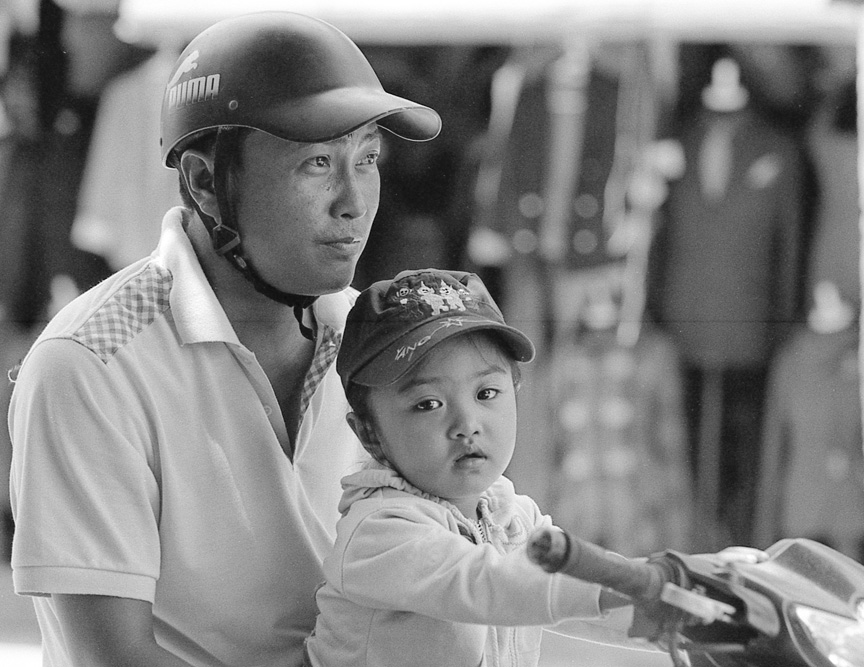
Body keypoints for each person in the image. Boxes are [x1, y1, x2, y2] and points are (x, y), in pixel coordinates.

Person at [7, 11, 440, 667]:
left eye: (368, 158)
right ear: (205, 182)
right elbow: (115, 658)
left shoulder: (384, 340)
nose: (354, 200)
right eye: (318, 163)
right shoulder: (91, 363)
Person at [304, 268, 640, 667]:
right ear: (369, 433)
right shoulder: (378, 531)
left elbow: (577, 597)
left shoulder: (515, 517)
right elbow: (490, 583)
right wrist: (633, 585)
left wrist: (673, 600)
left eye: (486, 393)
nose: (467, 424)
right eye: (428, 404)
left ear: (516, 393)